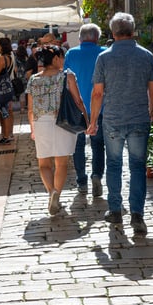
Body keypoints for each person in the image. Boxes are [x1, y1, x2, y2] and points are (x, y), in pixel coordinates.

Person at [87, 12, 153, 237]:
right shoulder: (146, 55)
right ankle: (137, 214)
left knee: (114, 164)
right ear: (133, 31)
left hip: (113, 119)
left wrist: (93, 121)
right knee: (137, 166)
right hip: (138, 117)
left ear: (113, 33)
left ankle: (115, 210)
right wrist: (150, 110)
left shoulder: (105, 58)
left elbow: (97, 93)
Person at [27, 45, 88, 215]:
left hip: (41, 123)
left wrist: (32, 128)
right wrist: (87, 119)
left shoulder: (33, 80)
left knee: (44, 164)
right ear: (55, 59)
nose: (63, 60)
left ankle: (51, 192)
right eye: (61, 57)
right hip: (63, 122)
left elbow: (30, 109)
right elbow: (78, 101)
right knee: (61, 164)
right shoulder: (67, 76)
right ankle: (57, 195)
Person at [64, 24, 107, 197]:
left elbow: (66, 79)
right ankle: (97, 175)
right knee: (98, 144)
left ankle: (81, 181)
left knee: (78, 145)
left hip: (77, 107)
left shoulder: (71, 54)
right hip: (101, 107)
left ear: (80, 38)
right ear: (97, 38)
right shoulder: (104, 52)